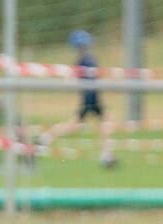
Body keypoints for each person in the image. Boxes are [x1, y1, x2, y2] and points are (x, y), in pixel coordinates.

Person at [38, 30, 116, 169]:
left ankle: (106, 156)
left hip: (93, 97)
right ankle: (46, 137)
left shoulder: (86, 59)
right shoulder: (86, 60)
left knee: (105, 124)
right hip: (90, 99)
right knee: (77, 125)